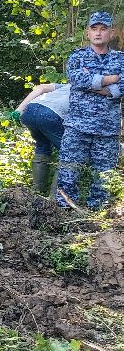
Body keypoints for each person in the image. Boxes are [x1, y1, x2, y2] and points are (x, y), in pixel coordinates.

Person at [56, 11, 124, 210]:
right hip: (77, 126)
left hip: (107, 129)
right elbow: (76, 80)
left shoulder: (121, 59)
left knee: (103, 178)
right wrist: (110, 80)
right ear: (88, 33)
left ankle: (97, 217)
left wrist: (93, 82)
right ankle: (64, 212)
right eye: (94, 29)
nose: (98, 33)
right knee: (68, 172)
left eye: (103, 29)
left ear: (111, 33)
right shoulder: (77, 57)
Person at [15, 82, 70, 194]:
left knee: (42, 146)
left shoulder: (68, 85)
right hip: (51, 114)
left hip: (29, 110)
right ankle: (56, 200)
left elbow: (41, 87)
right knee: (69, 153)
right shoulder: (90, 90)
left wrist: (18, 110)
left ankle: (37, 192)